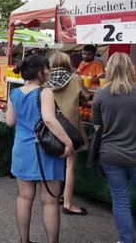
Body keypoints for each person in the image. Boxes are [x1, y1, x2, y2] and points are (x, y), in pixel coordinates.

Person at [92, 52, 136, 243]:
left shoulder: (101, 93)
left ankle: (126, 240)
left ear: (110, 69)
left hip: (110, 155)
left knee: (120, 201)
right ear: (131, 69)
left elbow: (97, 126)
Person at [6, 55, 73, 243]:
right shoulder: (44, 92)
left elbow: (10, 122)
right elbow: (50, 120)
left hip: (21, 150)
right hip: (44, 151)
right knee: (50, 201)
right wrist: (68, 142)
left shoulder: (14, 93)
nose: (50, 72)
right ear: (39, 72)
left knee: (24, 198)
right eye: (48, 68)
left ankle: (24, 240)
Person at [48, 52, 90, 216]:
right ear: (67, 63)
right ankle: (68, 203)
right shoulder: (75, 78)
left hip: (51, 126)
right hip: (71, 127)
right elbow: (85, 97)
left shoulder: (45, 79)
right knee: (70, 166)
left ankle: (56, 196)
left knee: (55, 162)